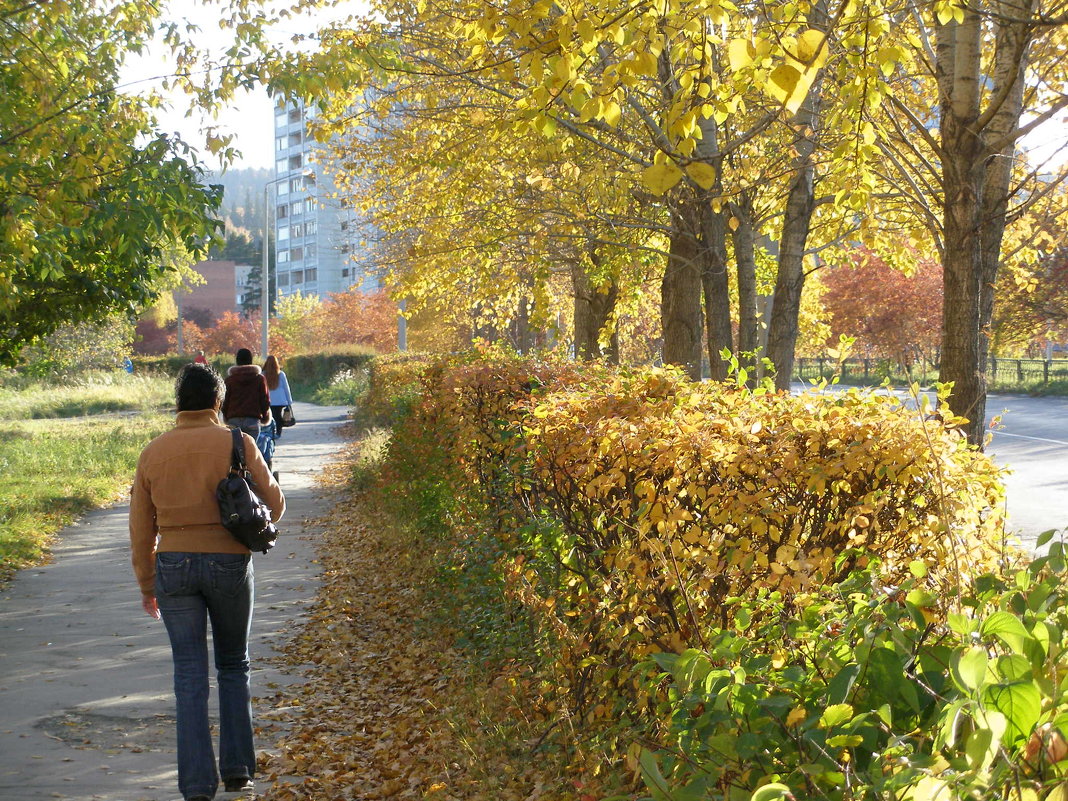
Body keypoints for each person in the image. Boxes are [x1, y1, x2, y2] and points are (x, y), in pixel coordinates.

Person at [129, 363, 285, 801]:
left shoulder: (153, 452)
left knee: (189, 674)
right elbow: (274, 506)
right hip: (229, 563)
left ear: (179, 402)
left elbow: (141, 528)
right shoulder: (238, 442)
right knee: (234, 665)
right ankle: (238, 772)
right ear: (218, 402)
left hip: (173, 567)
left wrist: (147, 584)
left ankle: (197, 785)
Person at [220, 348, 271, 440]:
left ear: (237, 360)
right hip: (252, 420)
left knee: (235, 452)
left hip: (233, 420)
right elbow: (265, 400)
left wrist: (226, 417)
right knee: (252, 451)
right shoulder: (259, 379)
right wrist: (264, 416)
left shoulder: (230, 380)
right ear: (251, 360)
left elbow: (224, 400)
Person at [262, 355, 294, 439]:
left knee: (270, 417)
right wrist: (289, 401)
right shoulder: (281, 374)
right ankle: (278, 433)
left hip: (268, 400)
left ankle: (271, 432)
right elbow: (286, 388)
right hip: (280, 401)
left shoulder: (263, 374)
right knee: (278, 417)